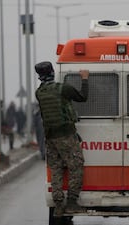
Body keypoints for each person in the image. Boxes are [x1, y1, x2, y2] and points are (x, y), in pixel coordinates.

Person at [34, 61, 89, 216]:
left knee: (57, 168)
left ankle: (58, 205)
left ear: (39, 76)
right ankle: (72, 202)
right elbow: (83, 97)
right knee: (76, 164)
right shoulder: (63, 89)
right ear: (52, 72)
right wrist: (84, 79)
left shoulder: (39, 92)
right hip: (65, 134)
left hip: (50, 136)